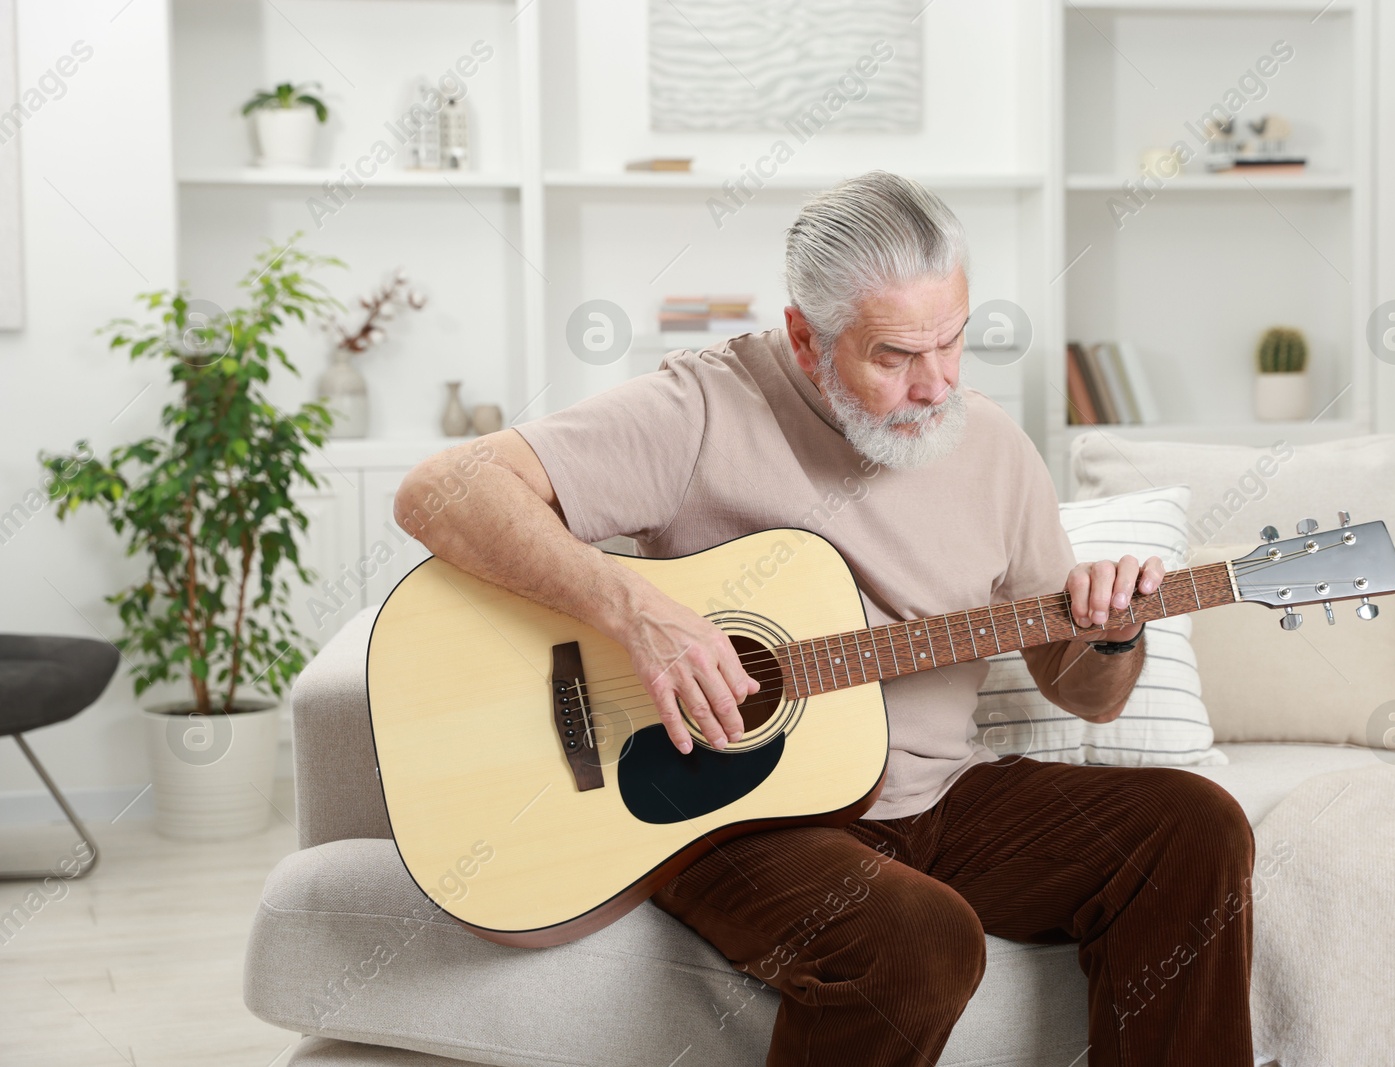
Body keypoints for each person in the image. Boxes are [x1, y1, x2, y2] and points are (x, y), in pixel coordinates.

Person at [395, 171, 1256, 1066]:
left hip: (937, 800)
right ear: (805, 336)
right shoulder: (702, 408)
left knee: (1195, 826)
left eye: (953, 341)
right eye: (894, 357)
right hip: (738, 814)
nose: (936, 385)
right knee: (918, 941)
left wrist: (1114, 630)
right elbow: (439, 492)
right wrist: (636, 609)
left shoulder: (993, 445)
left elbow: (1086, 692)